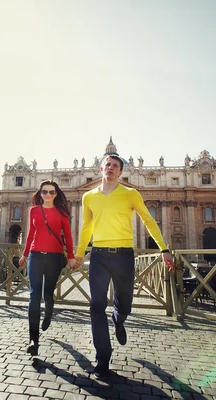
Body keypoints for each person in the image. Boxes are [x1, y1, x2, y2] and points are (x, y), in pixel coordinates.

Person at [74, 154, 175, 379]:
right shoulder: (88, 197)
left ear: (121, 172)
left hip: (124, 255)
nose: (110, 168)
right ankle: (103, 358)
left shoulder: (130, 193)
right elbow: (86, 227)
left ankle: (119, 319)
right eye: (107, 164)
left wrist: (164, 249)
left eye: (115, 166)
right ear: (101, 168)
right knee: (96, 305)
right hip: (99, 255)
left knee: (126, 303)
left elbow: (149, 220)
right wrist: (79, 254)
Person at [18, 180, 77, 356]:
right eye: (45, 192)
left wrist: (71, 257)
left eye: (52, 192)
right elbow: (30, 234)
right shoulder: (34, 210)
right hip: (35, 255)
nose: (48, 195)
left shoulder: (62, 212)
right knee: (34, 295)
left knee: (47, 293)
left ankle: (49, 313)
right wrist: (25, 254)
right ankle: (33, 340)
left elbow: (67, 236)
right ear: (40, 193)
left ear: (56, 194)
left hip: (54, 257)